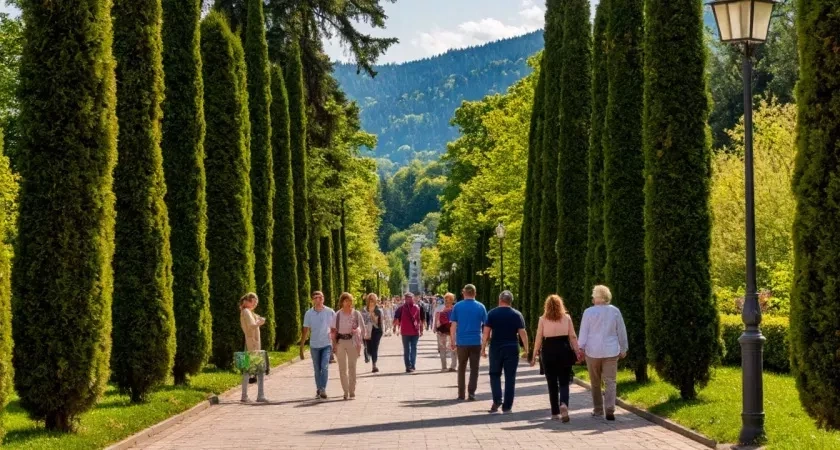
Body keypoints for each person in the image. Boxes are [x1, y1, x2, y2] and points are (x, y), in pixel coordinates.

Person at [578, 285, 628, 421]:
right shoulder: (615, 311)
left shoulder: (588, 312)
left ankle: (598, 409)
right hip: (611, 351)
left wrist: (580, 348)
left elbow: (583, 332)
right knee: (610, 381)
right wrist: (623, 348)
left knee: (595, 382)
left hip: (592, 351)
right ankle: (610, 409)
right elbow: (621, 331)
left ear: (596, 297)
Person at [531, 295, 581, 422]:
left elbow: (538, 337)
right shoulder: (567, 318)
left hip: (548, 351)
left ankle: (554, 412)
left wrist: (534, 353)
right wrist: (577, 351)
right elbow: (573, 336)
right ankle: (564, 404)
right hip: (564, 349)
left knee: (552, 383)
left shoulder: (542, 319)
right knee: (564, 382)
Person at [483, 290, 529, 414]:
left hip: (496, 347)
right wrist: (526, 349)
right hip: (512, 347)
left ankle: (497, 399)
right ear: (511, 301)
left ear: (500, 300)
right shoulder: (517, 314)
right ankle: (507, 406)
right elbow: (522, 334)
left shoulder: (492, 313)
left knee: (494, 374)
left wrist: (483, 348)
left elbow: (486, 333)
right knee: (510, 377)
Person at [450, 284, 487, 401]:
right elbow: (486, 326)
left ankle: (461, 394)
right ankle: (471, 393)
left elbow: (453, 326)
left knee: (461, 367)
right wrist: (485, 343)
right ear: (475, 293)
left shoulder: (457, 306)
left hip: (462, 342)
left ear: (463, 293)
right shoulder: (481, 307)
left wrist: (452, 340)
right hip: (476, 341)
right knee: (474, 368)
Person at [300, 291, 335, 400]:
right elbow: (305, 330)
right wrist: (301, 348)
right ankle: (319, 388)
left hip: (326, 344)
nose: (318, 300)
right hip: (314, 345)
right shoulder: (308, 313)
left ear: (323, 299)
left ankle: (323, 389)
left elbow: (335, 328)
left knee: (324, 367)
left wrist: (336, 344)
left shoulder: (330, 312)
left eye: (320, 298)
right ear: (312, 300)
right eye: (315, 298)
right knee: (317, 369)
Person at [331, 292, 366, 400]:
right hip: (340, 341)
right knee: (342, 368)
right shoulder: (337, 315)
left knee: (352, 367)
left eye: (350, 300)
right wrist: (334, 345)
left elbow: (363, 328)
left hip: (352, 341)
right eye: (346, 301)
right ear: (342, 302)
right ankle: (345, 391)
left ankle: (352, 390)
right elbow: (333, 331)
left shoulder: (356, 314)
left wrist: (360, 340)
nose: (349, 303)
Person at [239, 293, 268, 403]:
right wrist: (260, 322)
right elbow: (252, 325)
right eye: (253, 302)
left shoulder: (246, 311)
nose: (255, 304)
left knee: (247, 370)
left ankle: (244, 396)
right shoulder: (246, 312)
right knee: (260, 370)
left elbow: (254, 318)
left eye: (256, 303)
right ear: (247, 301)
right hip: (253, 345)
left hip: (249, 344)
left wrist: (258, 319)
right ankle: (259, 396)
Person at [393, 292, 424, 372]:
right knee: (408, 349)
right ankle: (409, 366)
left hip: (414, 332)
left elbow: (418, 319)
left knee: (412, 349)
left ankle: (411, 365)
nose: (408, 299)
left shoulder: (417, 307)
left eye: (410, 298)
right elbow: (396, 318)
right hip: (406, 332)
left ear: (413, 298)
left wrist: (421, 329)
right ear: (405, 299)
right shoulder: (401, 308)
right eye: (407, 298)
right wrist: (394, 327)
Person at [434, 293, 457, 372]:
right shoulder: (440, 309)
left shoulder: (455, 309)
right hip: (442, 332)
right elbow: (436, 320)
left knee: (453, 348)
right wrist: (435, 328)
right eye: (446, 300)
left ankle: (453, 366)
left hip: (452, 332)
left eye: (449, 300)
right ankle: (444, 366)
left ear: (452, 300)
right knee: (442, 349)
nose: (447, 301)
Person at [361, 293, 384, 373]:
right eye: (370, 299)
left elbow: (376, 322)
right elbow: (362, 321)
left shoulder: (378, 310)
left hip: (376, 331)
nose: (371, 301)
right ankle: (369, 355)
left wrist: (371, 314)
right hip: (367, 330)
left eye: (373, 300)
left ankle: (374, 365)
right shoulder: (363, 309)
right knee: (369, 348)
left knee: (375, 347)